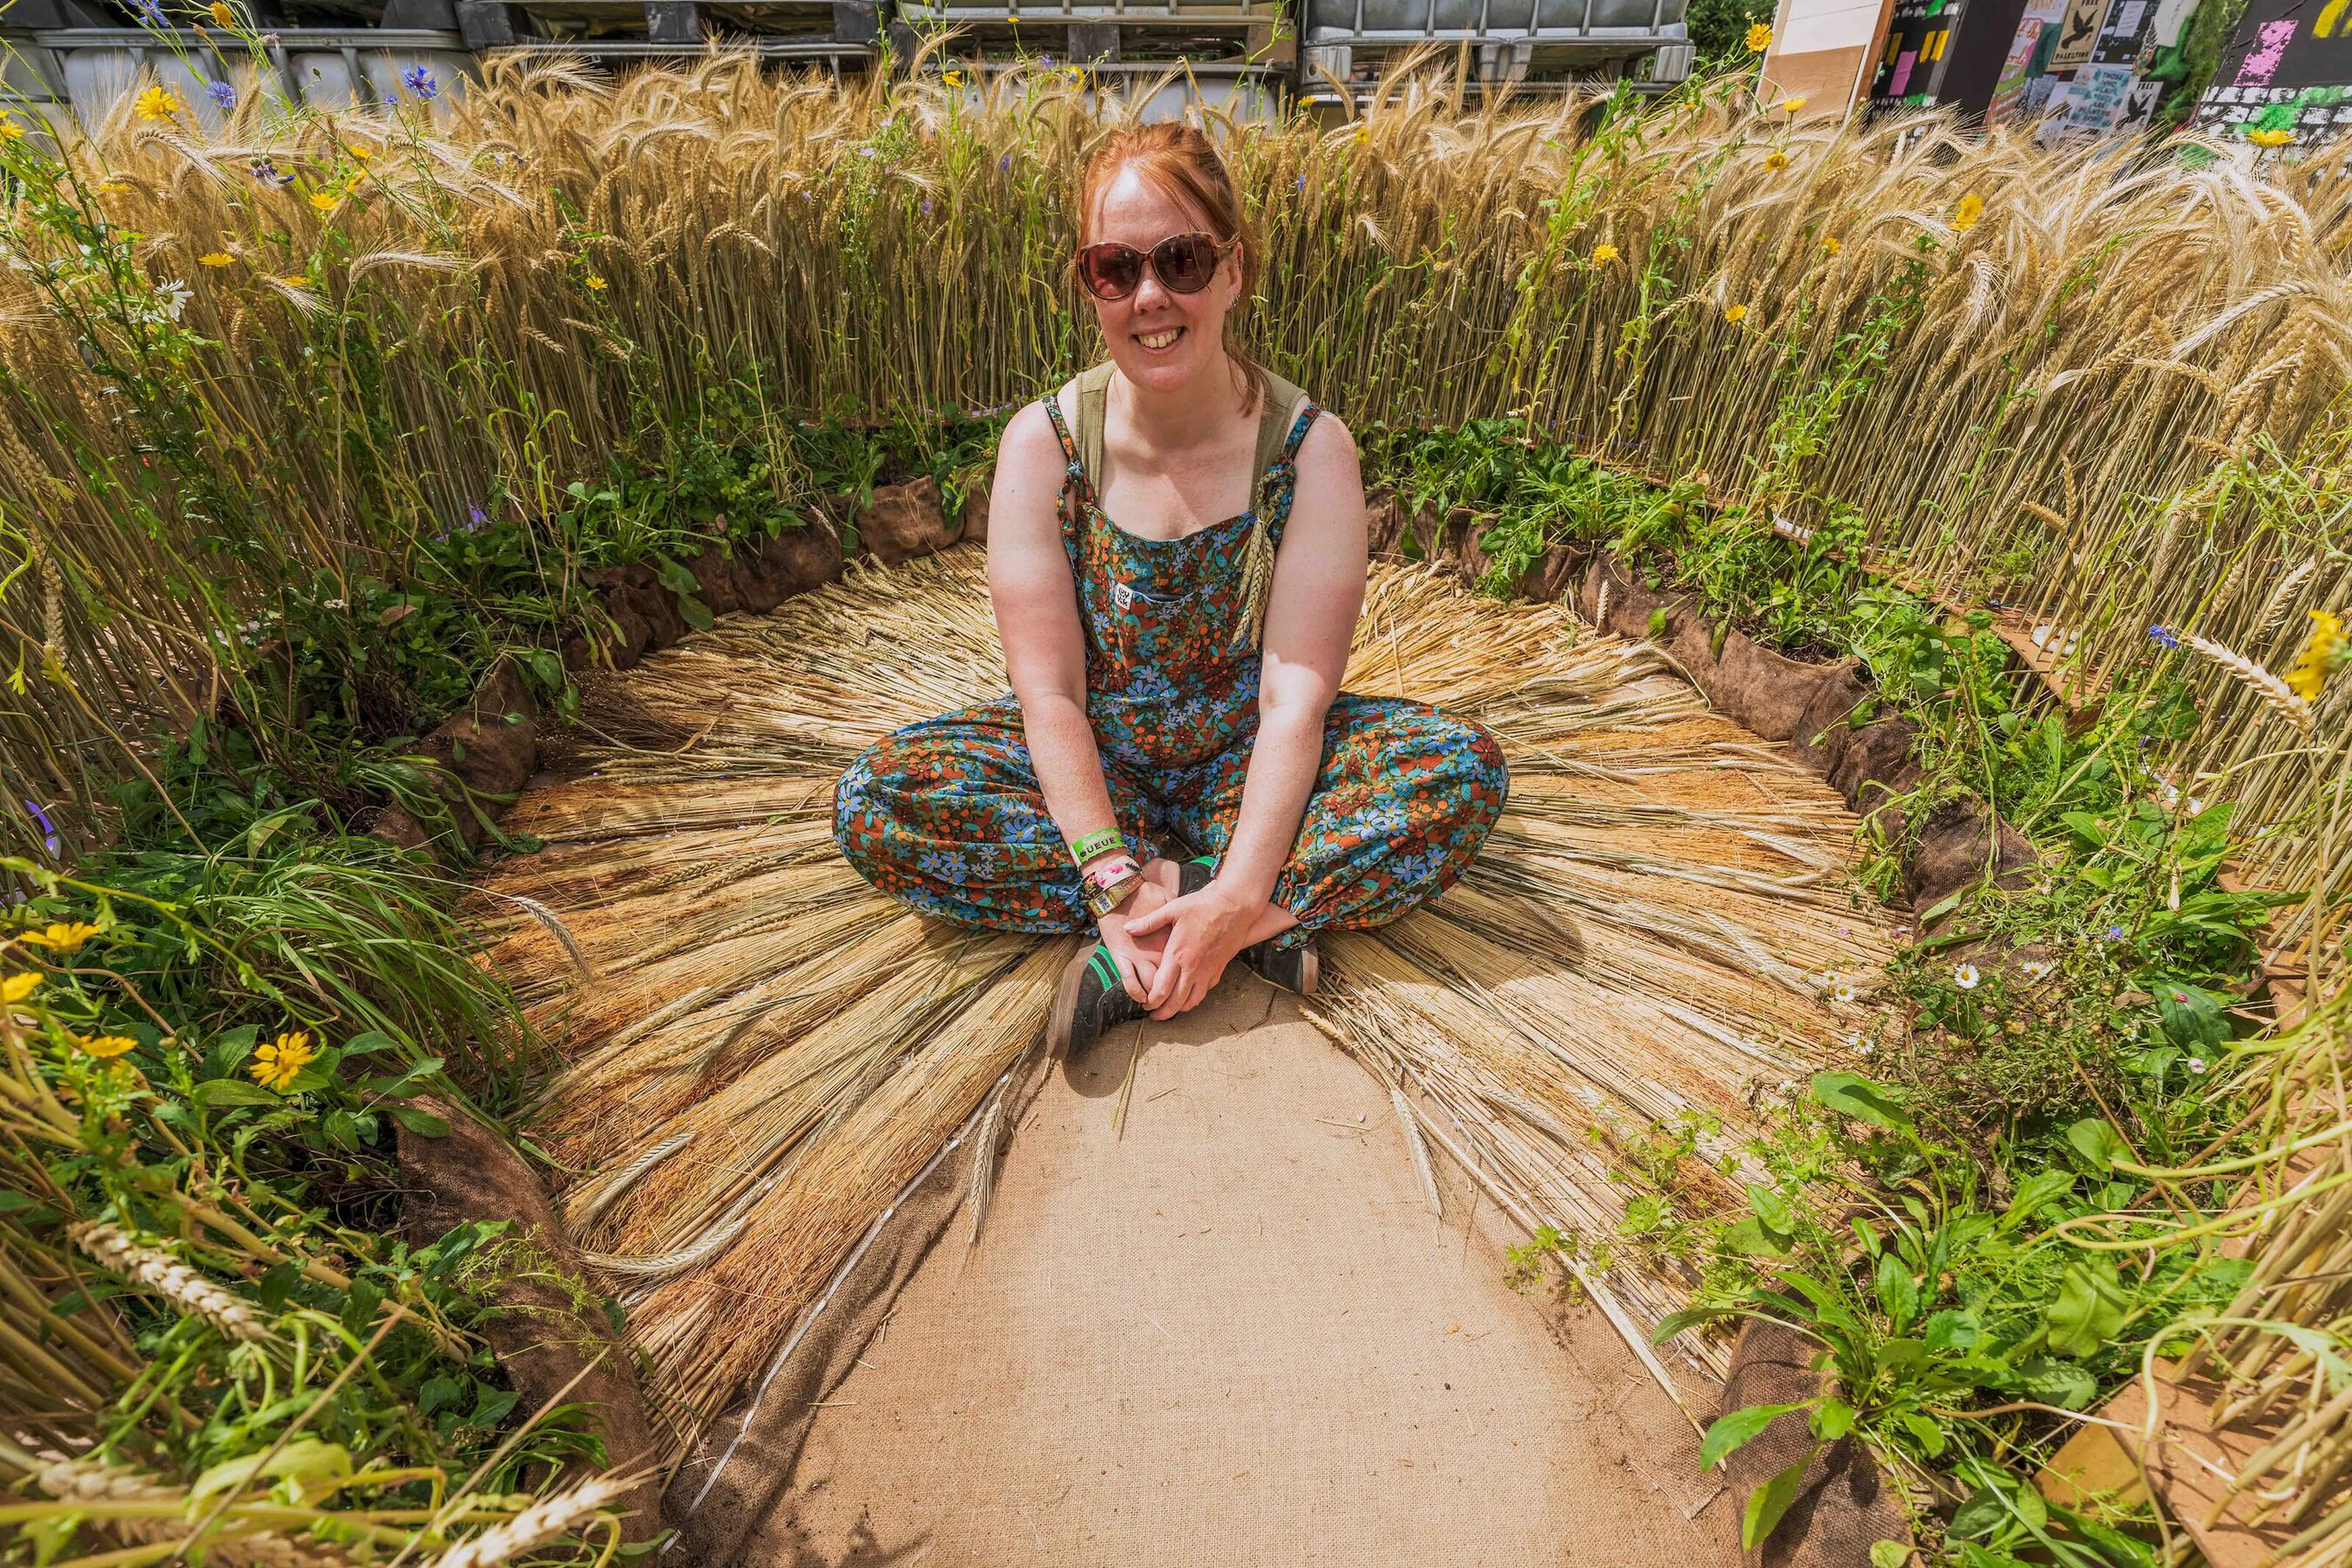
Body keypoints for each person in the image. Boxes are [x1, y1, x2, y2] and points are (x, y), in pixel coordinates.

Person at [833, 121, 1509, 1057]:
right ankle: (1221, 918)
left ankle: (1210, 920)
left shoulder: (1309, 450)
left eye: (1181, 260)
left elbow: (1293, 706)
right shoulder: (1046, 446)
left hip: (1254, 771)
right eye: (1115, 269)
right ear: (1091, 287)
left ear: (1233, 271)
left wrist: (1239, 887)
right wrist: (1111, 875)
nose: (1150, 295)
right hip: (1096, 766)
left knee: (1461, 771)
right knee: (876, 800)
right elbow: (1051, 695)